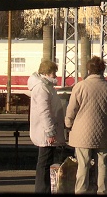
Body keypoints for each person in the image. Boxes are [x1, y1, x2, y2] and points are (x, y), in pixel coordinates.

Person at [64, 56, 107, 194]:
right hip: (102, 132)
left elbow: (71, 109)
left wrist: (68, 123)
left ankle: (81, 190)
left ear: (88, 70)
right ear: (103, 70)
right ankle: (102, 191)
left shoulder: (79, 86)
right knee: (102, 164)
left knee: (83, 164)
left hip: (81, 133)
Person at [28, 59, 66, 194]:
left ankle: (44, 189)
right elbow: (44, 111)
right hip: (45, 132)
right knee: (44, 163)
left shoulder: (45, 86)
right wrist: (50, 132)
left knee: (45, 162)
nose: (55, 75)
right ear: (47, 72)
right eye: (54, 72)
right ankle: (42, 189)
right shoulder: (42, 88)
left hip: (46, 130)